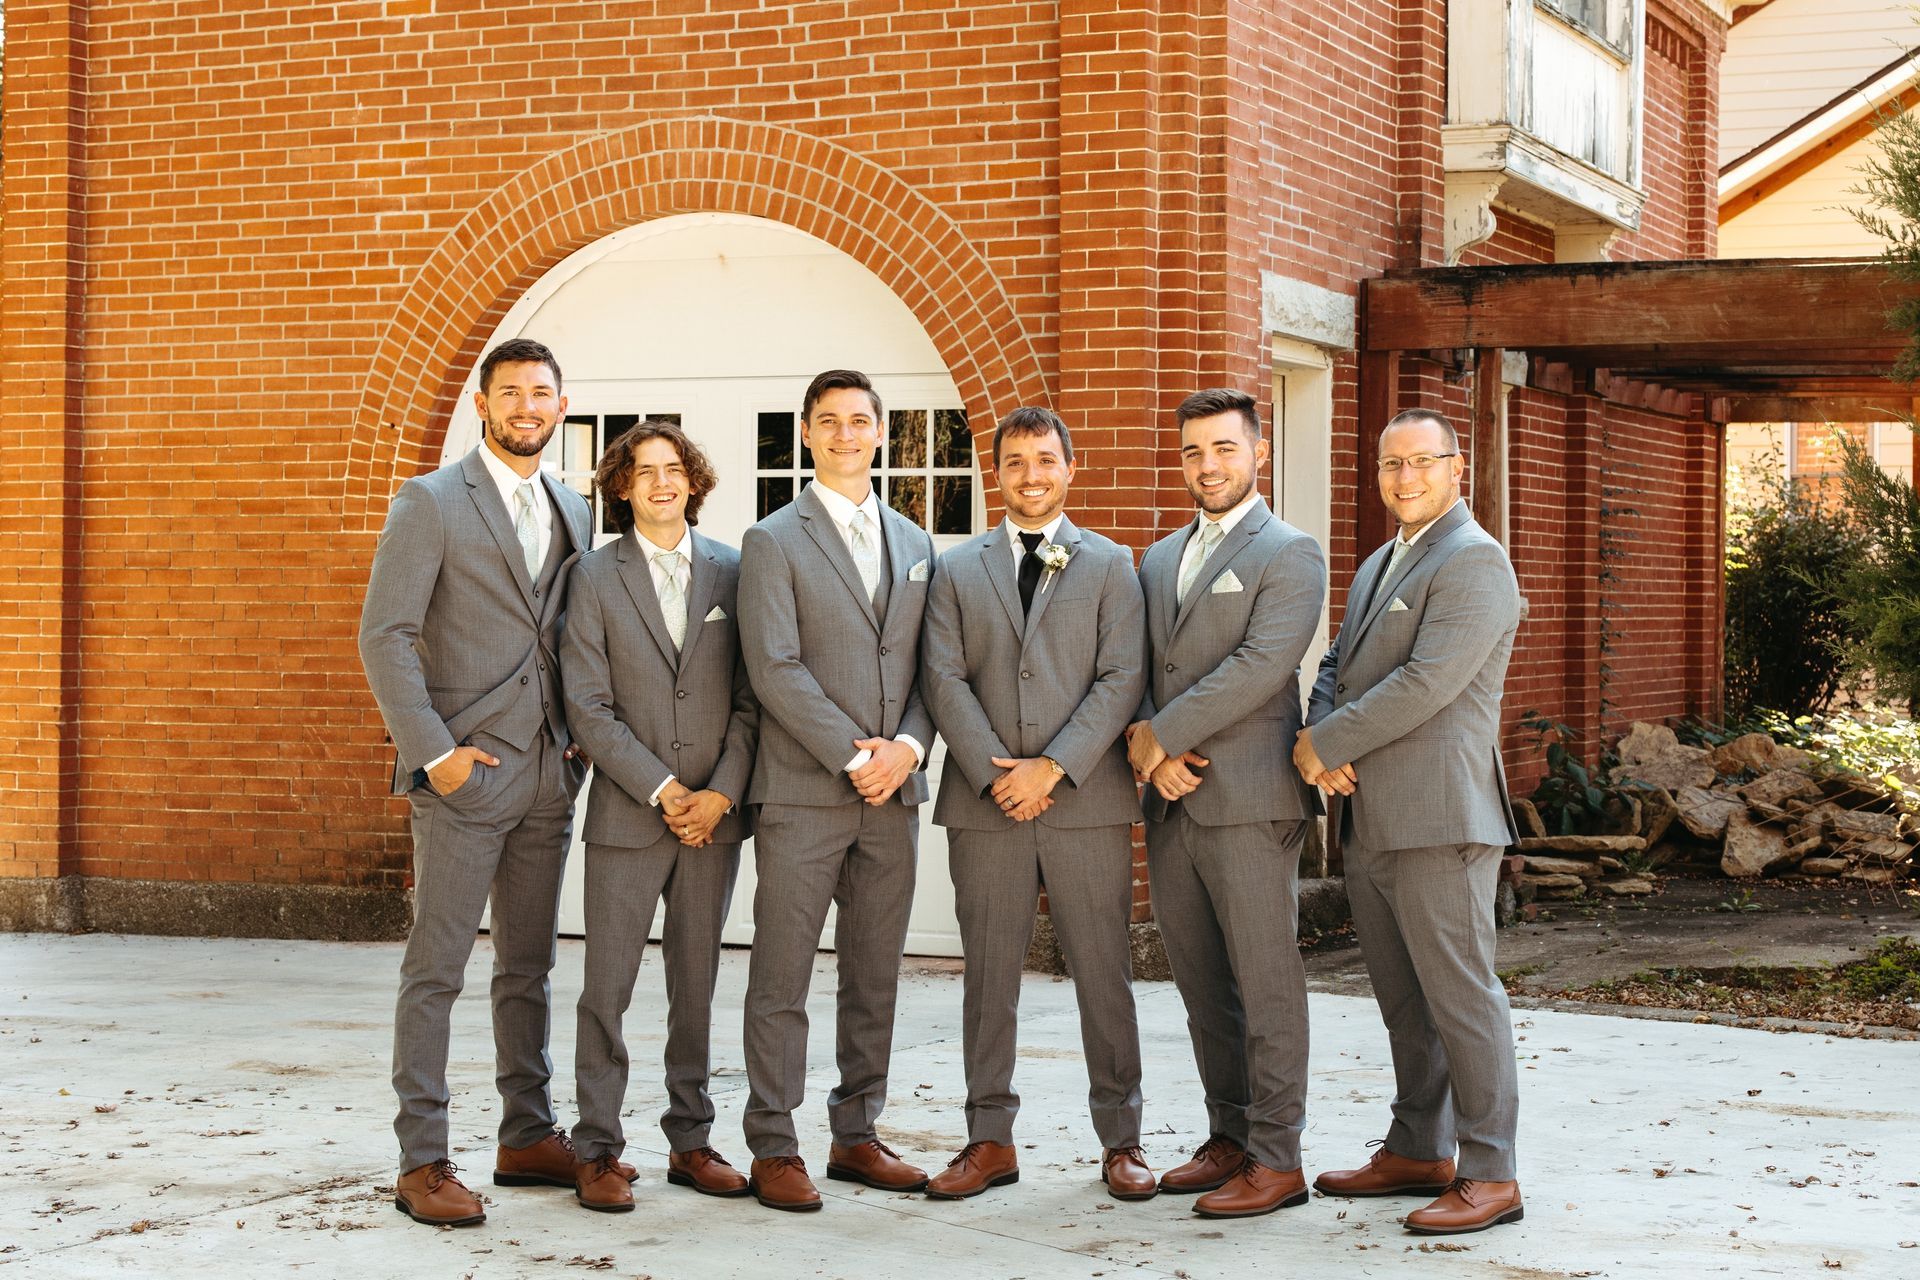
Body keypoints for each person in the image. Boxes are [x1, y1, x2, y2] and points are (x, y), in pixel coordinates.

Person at [359, 337, 601, 1227]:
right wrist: (437, 754)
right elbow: (385, 634)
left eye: (543, 392)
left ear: (561, 406)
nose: (528, 407)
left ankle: (527, 1133)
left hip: (548, 774)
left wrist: (574, 745)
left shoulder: (575, 507)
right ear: (483, 406)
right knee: (438, 970)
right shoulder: (430, 502)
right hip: (465, 776)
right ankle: (421, 1160)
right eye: (511, 394)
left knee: (529, 966)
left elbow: (570, 635)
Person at [1295, 407, 1524, 1236]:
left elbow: (1426, 684)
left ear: (1455, 468)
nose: (1405, 478)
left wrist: (1324, 742)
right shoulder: (1377, 566)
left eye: (1421, 462)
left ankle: (1492, 1171)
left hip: (1440, 816)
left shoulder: (1475, 563)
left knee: (1462, 999)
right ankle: (1419, 1147)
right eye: (1391, 465)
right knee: (1404, 1002)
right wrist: (1316, 736)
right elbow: (1337, 665)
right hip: (1373, 819)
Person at [918, 406, 1153, 1201]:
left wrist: (1050, 768)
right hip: (984, 806)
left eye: (1045, 460)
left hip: (1083, 802)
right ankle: (989, 1140)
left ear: (1069, 469)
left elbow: (1122, 677)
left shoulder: (1113, 564)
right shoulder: (956, 569)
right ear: (996, 472)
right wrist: (997, 775)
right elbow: (942, 678)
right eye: (1015, 462)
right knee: (988, 976)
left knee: (1103, 973)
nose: (1031, 476)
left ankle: (1122, 1141)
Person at [735, 369, 937, 1211]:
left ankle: (857, 1133)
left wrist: (912, 749)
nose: (847, 434)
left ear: (882, 433)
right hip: (805, 794)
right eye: (830, 422)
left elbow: (935, 665)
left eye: (861, 420)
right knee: (782, 974)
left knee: (873, 972)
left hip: (895, 797)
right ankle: (774, 1145)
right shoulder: (773, 540)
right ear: (808, 435)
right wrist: (854, 757)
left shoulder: (918, 542)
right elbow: (774, 666)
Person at [1126, 388, 1325, 1219]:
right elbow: (1135, 665)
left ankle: (1278, 1158)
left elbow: (1258, 664)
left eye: (1224, 449)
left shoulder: (1291, 552)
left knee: (1265, 978)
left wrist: (1159, 737)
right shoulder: (1158, 556)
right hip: (1172, 802)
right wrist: (1152, 750)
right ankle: (1230, 1135)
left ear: (1259, 453)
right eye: (1193, 453)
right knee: (1204, 983)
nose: (1208, 466)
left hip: (1248, 797)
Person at [561, 420, 759, 1212]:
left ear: (695, 481)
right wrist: (661, 788)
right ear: (623, 486)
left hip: (714, 819)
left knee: (697, 983)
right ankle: (599, 1148)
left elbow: (753, 698)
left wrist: (719, 793)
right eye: (644, 473)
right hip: (627, 815)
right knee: (604, 987)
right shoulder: (592, 576)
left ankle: (691, 1139)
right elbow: (587, 703)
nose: (661, 483)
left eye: (673, 470)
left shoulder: (735, 574)